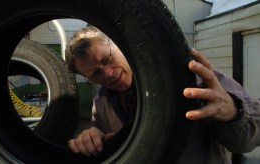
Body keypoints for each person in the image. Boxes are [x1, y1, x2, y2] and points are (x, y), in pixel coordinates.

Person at [65, 26, 260, 163]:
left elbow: (249, 139)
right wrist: (91, 138)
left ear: (118, 46)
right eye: (96, 73)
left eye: (107, 59)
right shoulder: (101, 104)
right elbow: (102, 142)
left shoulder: (187, 76)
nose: (108, 73)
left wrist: (234, 113)